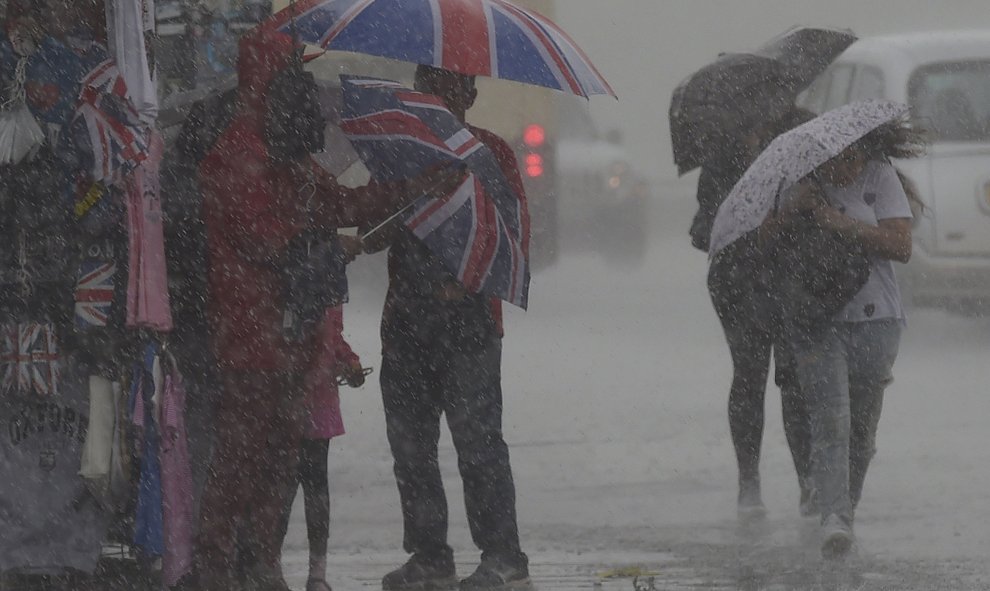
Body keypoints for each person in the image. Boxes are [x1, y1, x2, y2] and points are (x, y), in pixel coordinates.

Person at [194, 28, 463, 591]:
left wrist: (413, 188)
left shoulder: (284, 149)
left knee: (277, 465)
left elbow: (339, 202)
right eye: (292, 70)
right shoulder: (239, 154)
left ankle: (261, 565)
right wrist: (328, 244)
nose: (305, 85)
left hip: (291, 335)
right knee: (242, 465)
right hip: (252, 336)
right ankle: (218, 568)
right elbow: (263, 237)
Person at [366, 65, 531, 591]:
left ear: (471, 95)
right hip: (407, 322)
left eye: (450, 88)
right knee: (410, 446)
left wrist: (464, 286)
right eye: (429, 85)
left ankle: (504, 556)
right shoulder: (399, 152)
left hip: (470, 325)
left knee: (478, 442)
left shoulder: (491, 155)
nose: (438, 97)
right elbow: (374, 231)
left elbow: (514, 237)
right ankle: (430, 554)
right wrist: (410, 193)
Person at [776, 120, 923, 558]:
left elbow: (901, 246)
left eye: (854, 155)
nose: (847, 164)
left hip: (877, 319)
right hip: (815, 320)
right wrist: (792, 211)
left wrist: (836, 222)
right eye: (838, 157)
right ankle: (833, 519)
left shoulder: (881, 176)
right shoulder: (799, 183)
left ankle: (847, 511)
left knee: (862, 430)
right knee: (830, 421)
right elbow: (767, 243)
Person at [699, 108, 818, 519]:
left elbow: (820, 212)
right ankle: (749, 482)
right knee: (749, 374)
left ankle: (809, 482)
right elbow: (706, 232)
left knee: (794, 378)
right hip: (737, 281)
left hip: (792, 278)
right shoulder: (722, 158)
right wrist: (763, 223)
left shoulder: (805, 138)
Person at [275, 279, 367, 591]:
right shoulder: (293, 272)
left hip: (317, 396)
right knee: (284, 485)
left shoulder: (329, 279)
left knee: (310, 485)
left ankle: (315, 572)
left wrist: (348, 360)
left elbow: (332, 335)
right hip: (286, 391)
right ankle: (272, 562)